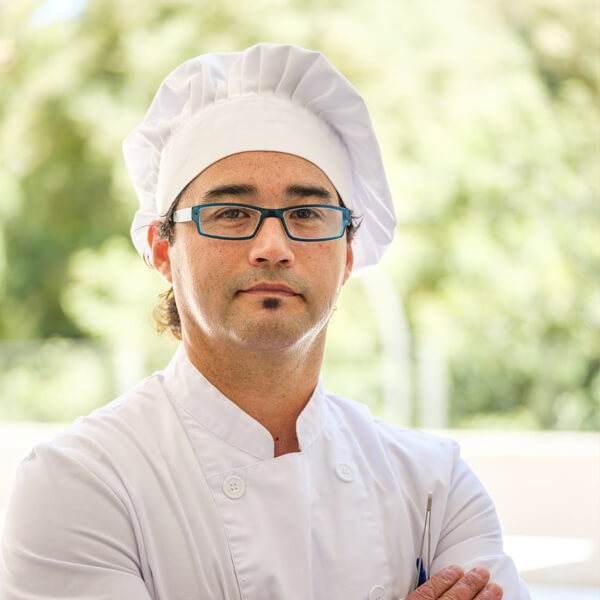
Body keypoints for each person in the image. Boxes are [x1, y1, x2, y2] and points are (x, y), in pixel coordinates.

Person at [0, 43, 530, 599]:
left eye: (306, 213)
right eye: (231, 213)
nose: (273, 246)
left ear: (347, 255)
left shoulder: (434, 487)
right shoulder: (83, 483)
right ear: (162, 250)